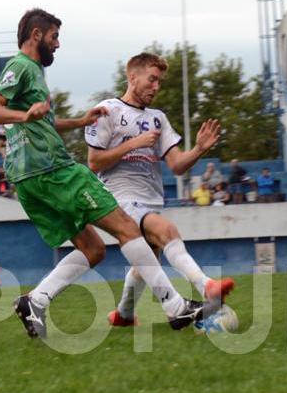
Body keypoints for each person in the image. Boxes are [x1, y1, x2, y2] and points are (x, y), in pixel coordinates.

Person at [0, 8, 212, 339]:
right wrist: (25, 116)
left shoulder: (33, 74)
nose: (57, 45)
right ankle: (175, 307)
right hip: (52, 170)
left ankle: (35, 301)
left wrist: (79, 122)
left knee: (94, 249)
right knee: (127, 228)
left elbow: (41, 121)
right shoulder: (22, 66)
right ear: (36, 35)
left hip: (27, 180)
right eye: (54, 37)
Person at [85, 52, 233, 327]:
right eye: (152, 80)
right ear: (132, 77)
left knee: (145, 265)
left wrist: (199, 149)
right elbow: (93, 162)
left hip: (150, 200)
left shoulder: (158, 118)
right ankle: (206, 286)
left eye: (159, 82)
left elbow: (176, 165)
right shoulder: (108, 110)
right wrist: (134, 143)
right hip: (119, 198)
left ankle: (123, 315)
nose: (156, 87)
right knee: (168, 232)